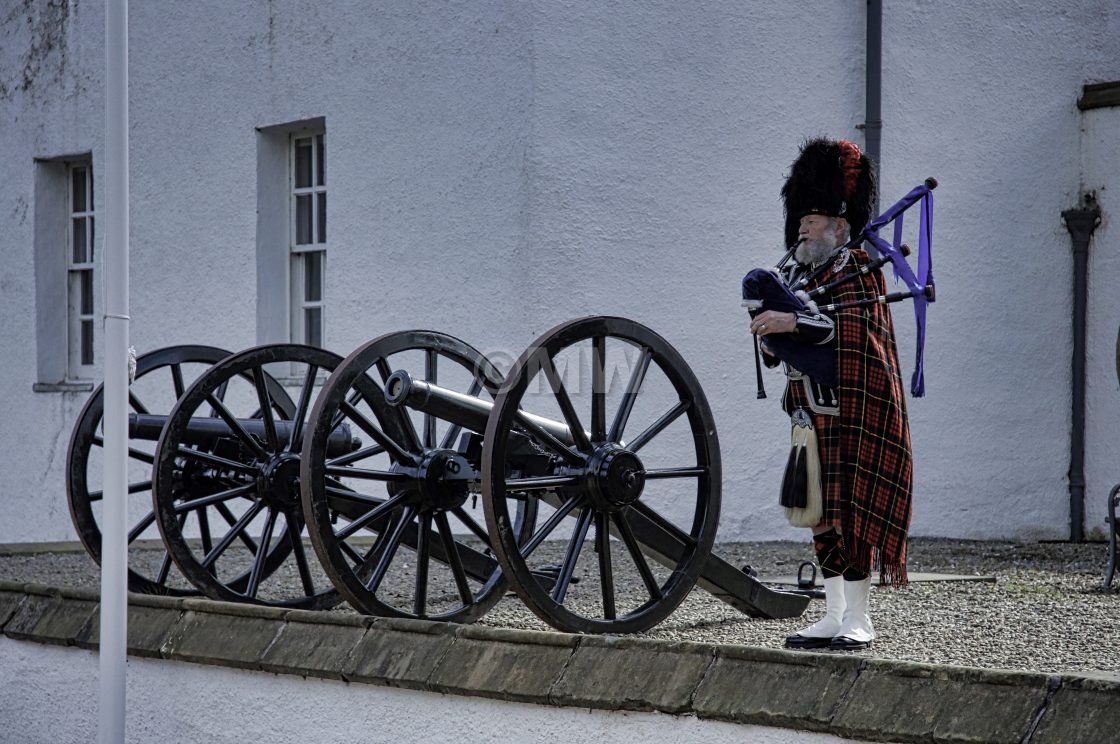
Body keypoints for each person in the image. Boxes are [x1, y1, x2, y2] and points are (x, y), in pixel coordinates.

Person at [750, 138, 913, 651]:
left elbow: (858, 338)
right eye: (800, 217)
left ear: (840, 225)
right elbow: (788, 346)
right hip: (806, 412)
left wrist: (796, 321)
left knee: (852, 512)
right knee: (819, 516)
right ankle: (833, 613)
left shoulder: (856, 272)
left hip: (853, 411)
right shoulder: (797, 274)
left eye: (813, 217)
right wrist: (774, 336)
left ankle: (860, 618)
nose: (802, 225)